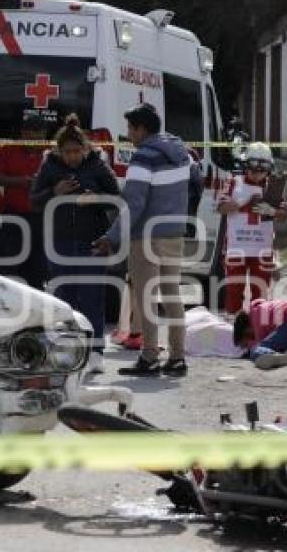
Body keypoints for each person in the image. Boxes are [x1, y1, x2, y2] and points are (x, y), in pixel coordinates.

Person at [93, 103, 190, 377]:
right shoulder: (182, 154)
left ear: (141, 129)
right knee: (172, 295)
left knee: (146, 297)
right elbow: (193, 185)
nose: (128, 135)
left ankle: (149, 356)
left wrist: (111, 238)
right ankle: (178, 358)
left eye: (130, 129)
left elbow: (133, 203)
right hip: (174, 232)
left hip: (146, 236)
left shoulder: (143, 157)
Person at [31, 114, 120, 358]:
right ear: (59, 151)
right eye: (67, 152)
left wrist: (96, 199)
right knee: (63, 299)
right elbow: (35, 202)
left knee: (93, 298)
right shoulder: (49, 166)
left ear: (85, 148)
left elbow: (117, 199)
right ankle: (67, 350)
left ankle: (96, 352)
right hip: (59, 242)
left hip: (92, 242)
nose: (72, 156)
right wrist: (54, 192)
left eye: (76, 151)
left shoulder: (98, 165)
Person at [217, 142, 287, 315]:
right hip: (236, 247)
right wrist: (245, 202)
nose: (257, 174)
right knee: (234, 292)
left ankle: (259, 329)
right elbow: (222, 207)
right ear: (245, 165)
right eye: (253, 168)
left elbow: (284, 215)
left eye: (262, 170)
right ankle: (234, 330)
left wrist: (273, 211)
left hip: (262, 249)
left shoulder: (273, 186)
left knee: (261, 294)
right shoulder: (233, 182)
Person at [0, 116, 50, 288]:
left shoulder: (51, 154)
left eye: (39, 135)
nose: (35, 139)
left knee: (38, 267)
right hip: (13, 216)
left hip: (41, 217)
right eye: (31, 134)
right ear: (23, 133)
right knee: (11, 264)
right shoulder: (9, 150)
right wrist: (23, 181)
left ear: (45, 134)